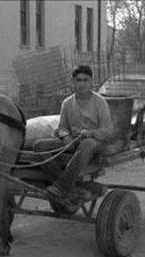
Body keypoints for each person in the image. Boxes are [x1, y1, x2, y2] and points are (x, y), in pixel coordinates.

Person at [34, 65, 114, 209]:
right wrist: (65, 137)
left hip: (95, 143)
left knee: (87, 144)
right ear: (73, 82)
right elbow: (62, 127)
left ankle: (61, 186)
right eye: (78, 80)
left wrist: (90, 133)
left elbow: (108, 131)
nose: (82, 84)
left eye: (85, 80)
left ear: (91, 82)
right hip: (74, 141)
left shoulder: (99, 102)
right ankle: (68, 188)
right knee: (39, 146)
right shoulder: (67, 102)